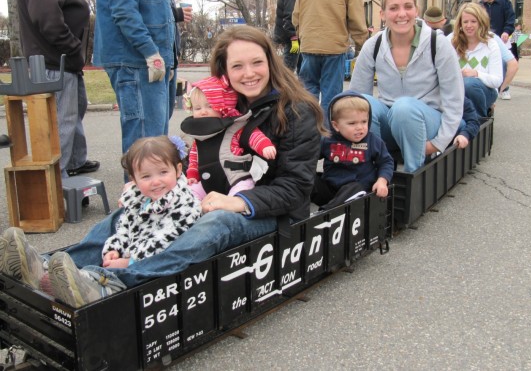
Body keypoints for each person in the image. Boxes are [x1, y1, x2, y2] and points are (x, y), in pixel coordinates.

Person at [0, 25, 326, 300]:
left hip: (269, 212)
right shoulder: (223, 103)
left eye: (256, 62)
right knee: (135, 210)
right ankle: (43, 266)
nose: (249, 73)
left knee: (215, 224)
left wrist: (237, 202)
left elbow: (296, 189)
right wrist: (155, 180)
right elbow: (197, 154)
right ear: (224, 72)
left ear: (271, 62)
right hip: (206, 197)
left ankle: (105, 283)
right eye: (237, 66)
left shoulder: (297, 112)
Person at [0, 136, 202, 307]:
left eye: (163, 173)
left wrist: (129, 261)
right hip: (131, 254)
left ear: (177, 170)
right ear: (133, 179)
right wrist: (114, 248)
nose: (156, 181)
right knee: (112, 223)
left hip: (152, 265)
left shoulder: (184, 204)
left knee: (115, 271)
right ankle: (43, 270)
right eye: (146, 176)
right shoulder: (139, 199)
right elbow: (125, 228)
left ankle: (93, 283)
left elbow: (164, 241)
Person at [349, 0, 464, 173]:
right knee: (364, 103)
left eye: (408, 7)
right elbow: (356, 99)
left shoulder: (438, 43)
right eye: (393, 8)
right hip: (391, 119)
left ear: (416, 10)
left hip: (427, 121)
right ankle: (373, 171)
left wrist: (438, 143)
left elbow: (454, 100)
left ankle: (412, 175)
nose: (402, 14)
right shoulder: (373, 45)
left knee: (403, 108)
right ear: (383, 14)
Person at [15, 0, 99, 178]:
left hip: (61, 62)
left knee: (72, 116)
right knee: (59, 127)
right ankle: (56, 186)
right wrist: (74, 50)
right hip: (53, 64)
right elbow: (48, 20)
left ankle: (74, 164)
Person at [93, 0, 176, 157]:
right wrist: (151, 53)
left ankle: (153, 190)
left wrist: (167, 60)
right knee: (143, 144)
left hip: (147, 63)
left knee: (155, 142)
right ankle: (139, 191)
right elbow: (125, 13)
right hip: (135, 63)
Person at [292, 0, 368, 119]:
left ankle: (307, 131)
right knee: (331, 97)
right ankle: (325, 136)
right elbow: (356, 21)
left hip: (309, 46)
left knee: (308, 92)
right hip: (334, 48)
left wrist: (303, 36)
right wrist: (363, 45)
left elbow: (296, 16)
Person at [181, 75, 277, 199]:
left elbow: (253, 135)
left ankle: (230, 207)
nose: (203, 112)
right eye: (197, 108)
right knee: (189, 196)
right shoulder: (199, 135)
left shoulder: (233, 126)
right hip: (207, 182)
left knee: (239, 195)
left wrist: (264, 146)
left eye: (210, 106)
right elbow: (194, 157)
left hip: (236, 179)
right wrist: (192, 174)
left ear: (223, 106)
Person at [311, 92, 393, 211]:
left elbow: (386, 162)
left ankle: (325, 214)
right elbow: (310, 158)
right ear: (336, 126)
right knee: (305, 177)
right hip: (330, 189)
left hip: (356, 192)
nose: (360, 127)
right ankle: (294, 212)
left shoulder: (373, 141)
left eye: (364, 122)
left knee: (355, 188)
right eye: (352, 123)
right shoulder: (327, 140)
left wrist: (382, 181)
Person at [148, 0, 193, 118]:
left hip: (168, 59)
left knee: (164, 116)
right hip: (155, 58)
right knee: (154, 120)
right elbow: (146, 15)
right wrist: (176, 13)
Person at [450, 3, 503, 119]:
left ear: (480, 23)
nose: (469, 25)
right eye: (465, 22)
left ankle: (477, 122)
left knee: (469, 84)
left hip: (485, 90)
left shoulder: (491, 44)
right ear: (460, 24)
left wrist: (476, 74)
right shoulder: (451, 41)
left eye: (473, 21)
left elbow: (497, 81)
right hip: (457, 90)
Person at [479, 0, 516, 100]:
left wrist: (507, 31)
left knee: (504, 63)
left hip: (501, 38)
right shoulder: (480, 5)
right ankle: (490, 87)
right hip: (485, 39)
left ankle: (504, 88)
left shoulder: (504, 3)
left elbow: (510, 19)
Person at [273, 0, 313, 73]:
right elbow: (290, 15)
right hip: (291, 37)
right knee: (288, 70)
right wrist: (293, 37)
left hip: (291, 35)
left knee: (298, 67)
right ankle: (284, 89)